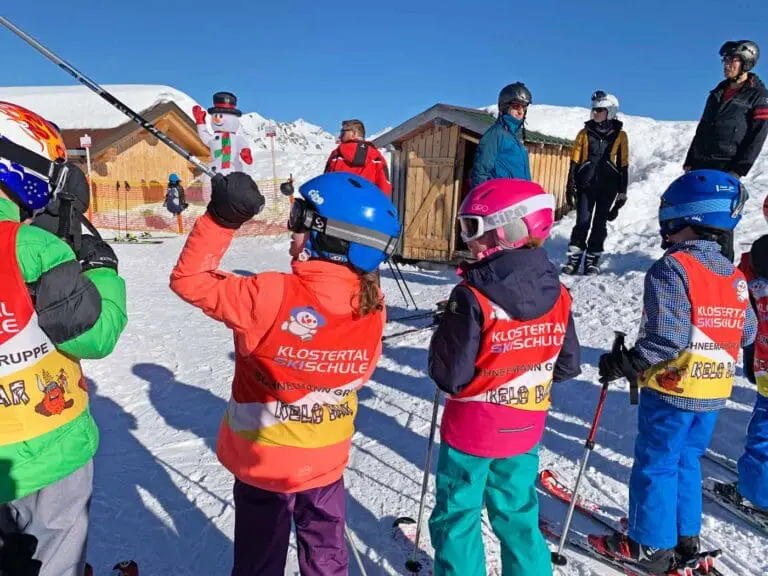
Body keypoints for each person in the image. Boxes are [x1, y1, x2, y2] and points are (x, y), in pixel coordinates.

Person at [169, 171, 400, 575]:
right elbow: (360, 373)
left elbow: (190, 280)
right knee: (325, 555)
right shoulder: (373, 305)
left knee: (260, 562)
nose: (292, 230)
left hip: (266, 464)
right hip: (325, 460)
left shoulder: (271, 293)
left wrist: (222, 219)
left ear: (329, 237)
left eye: (300, 219)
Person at [591, 170, 757, 573]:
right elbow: (748, 331)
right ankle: (684, 537)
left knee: (656, 462)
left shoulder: (674, 268)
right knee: (687, 460)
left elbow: (666, 338)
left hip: (674, 388)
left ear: (683, 217)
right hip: (713, 391)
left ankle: (649, 544)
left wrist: (628, 362)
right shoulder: (734, 276)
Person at [427, 178, 581, 576]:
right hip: (524, 426)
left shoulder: (472, 295)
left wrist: (446, 333)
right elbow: (567, 365)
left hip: (472, 431)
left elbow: (451, 376)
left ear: (509, 230)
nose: (468, 240)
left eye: (474, 228)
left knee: (458, 513)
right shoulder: (559, 293)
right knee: (517, 512)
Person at [0, 102, 128, 576]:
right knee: (55, 554)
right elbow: (94, 335)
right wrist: (101, 271)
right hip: (46, 450)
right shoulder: (32, 246)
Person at [684, 40, 768, 261]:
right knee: (697, 214)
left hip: (726, 166)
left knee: (719, 219)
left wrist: (739, 170)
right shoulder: (717, 92)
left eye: (732, 60)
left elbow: (757, 136)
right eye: (725, 60)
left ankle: (723, 266)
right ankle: (699, 262)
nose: (726, 64)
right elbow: (702, 128)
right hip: (702, 162)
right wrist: (690, 159)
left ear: (746, 63)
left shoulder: (758, 95)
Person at [562, 91, 630, 275]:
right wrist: (570, 184)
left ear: (610, 111)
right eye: (594, 110)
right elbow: (575, 160)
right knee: (582, 222)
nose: (595, 113)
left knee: (600, 224)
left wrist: (622, 193)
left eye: (600, 110)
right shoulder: (584, 133)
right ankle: (574, 259)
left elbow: (623, 165)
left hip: (608, 187)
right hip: (586, 185)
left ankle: (592, 260)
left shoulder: (620, 136)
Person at [470, 83, 532, 188]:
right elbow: (480, 171)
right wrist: (483, 195)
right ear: (505, 107)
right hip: (502, 195)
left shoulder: (516, 139)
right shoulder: (495, 134)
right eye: (516, 106)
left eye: (523, 107)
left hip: (520, 195)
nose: (521, 112)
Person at [324, 119, 392, 196]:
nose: (340, 136)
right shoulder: (377, 157)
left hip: (338, 201)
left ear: (354, 133)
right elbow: (384, 188)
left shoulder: (336, 155)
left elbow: (325, 182)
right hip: (365, 202)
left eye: (343, 132)